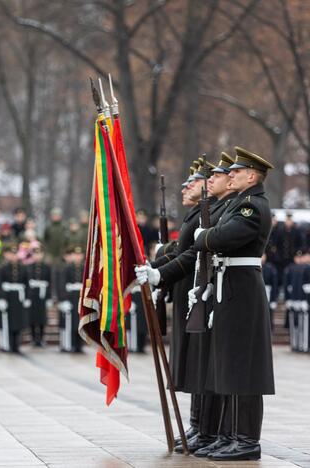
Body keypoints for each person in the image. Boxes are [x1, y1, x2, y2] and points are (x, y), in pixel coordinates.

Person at [189, 147, 276, 461]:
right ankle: (229, 435)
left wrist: (204, 235)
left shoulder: (252, 206)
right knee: (228, 364)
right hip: (229, 286)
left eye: (236, 172)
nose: (231, 175)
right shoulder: (238, 203)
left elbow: (224, 237)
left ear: (251, 176)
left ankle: (246, 439)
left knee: (243, 367)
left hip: (242, 288)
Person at [135, 158, 208, 447]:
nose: (186, 187)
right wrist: (156, 271)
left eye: (194, 182)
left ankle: (204, 427)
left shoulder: (204, 213)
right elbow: (179, 251)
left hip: (193, 290)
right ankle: (198, 424)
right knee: (191, 361)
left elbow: (187, 255)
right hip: (182, 289)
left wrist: (159, 273)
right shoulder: (193, 214)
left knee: (199, 362)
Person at [0, 244, 30, 353]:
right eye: (10, 254)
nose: (13, 256)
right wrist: (0, 298)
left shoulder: (23, 268)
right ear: (5, 255)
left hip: (18, 299)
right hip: (7, 297)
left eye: (15, 253)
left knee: (17, 323)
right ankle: (5, 344)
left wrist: (27, 298)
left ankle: (16, 345)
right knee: (6, 323)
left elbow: (26, 283)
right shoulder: (1, 268)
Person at [56, 246, 84, 353]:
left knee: (80, 322)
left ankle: (79, 345)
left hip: (80, 298)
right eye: (75, 254)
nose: (77, 257)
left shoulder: (84, 267)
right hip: (70, 298)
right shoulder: (66, 268)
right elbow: (61, 284)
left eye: (79, 255)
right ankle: (69, 344)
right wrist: (63, 300)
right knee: (70, 322)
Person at [24, 241, 51, 348]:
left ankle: (41, 338)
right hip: (32, 294)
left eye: (39, 254)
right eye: (35, 254)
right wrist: (26, 296)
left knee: (42, 317)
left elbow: (49, 282)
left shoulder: (46, 267)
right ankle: (33, 338)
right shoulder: (28, 267)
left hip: (42, 294)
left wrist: (48, 297)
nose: (37, 256)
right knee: (32, 317)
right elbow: (26, 282)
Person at [284, 250, 308, 352]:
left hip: (303, 300)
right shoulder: (291, 268)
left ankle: (304, 345)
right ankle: (298, 344)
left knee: (304, 325)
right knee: (297, 324)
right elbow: (290, 285)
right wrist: (290, 299)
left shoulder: (306, 268)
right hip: (297, 300)